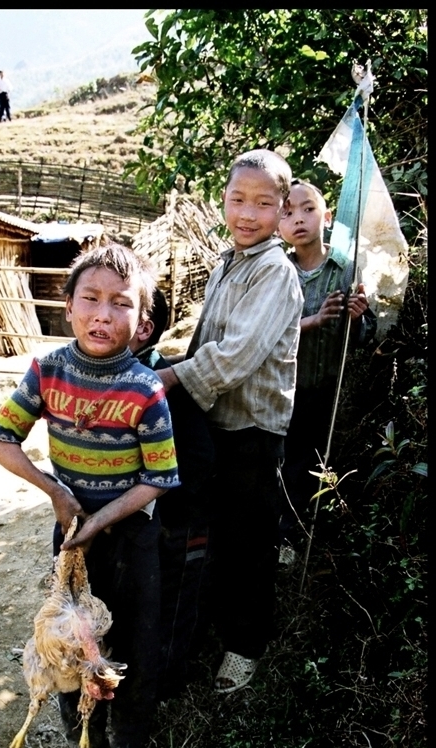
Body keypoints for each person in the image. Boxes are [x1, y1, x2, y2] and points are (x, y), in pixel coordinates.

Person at [0, 243, 180, 748]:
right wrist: (57, 493)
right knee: (72, 642)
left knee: (133, 644)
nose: (103, 314)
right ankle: (83, 740)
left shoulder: (145, 389)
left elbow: (159, 477)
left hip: (132, 536)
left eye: (121, 303)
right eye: (90, 299)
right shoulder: (48, 372)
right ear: (67, 306)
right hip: (72, 536)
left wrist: (102, 519)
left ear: (142, 321)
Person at [154, 148, 304, 695]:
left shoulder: (275, 272)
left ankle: (246, 646)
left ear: (283, 210)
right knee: (214, 531)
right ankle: (212, 626)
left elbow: (236, 355)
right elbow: (205, 341)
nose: (247, 213)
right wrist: (171, 367)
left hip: (253, 431)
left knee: (249, 541)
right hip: (215, 423)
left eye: (263, 204)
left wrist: (169, 379)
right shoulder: (227, 263)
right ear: (223, 200)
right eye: (238, 199)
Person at [277, 179, 376, 551]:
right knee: (285, 464)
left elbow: (365, 336)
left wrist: (357, 316)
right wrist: (312, 321)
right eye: (288, 212)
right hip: (283, 390)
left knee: (320, 464)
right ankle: (283, 539)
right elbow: (268, 332)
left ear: (328, 216)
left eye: (308, 209)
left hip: (328, 392)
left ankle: (313, 542)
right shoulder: (278, 271)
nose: (298, 219)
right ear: (278, 224)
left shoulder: (345, 269)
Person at [130, 288, 215, 700]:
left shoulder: (161, 383)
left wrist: (167, 513)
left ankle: (165, 688)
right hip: (152, 519)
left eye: (120, 306)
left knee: (175, 601)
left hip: (182, 518)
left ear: (143, 329)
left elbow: (198, 459)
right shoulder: (125, 378)